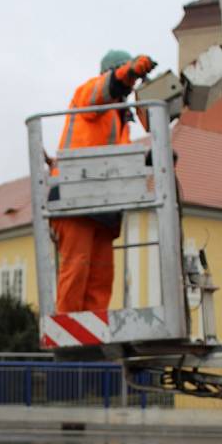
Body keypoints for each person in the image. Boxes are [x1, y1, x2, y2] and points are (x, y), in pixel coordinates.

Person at [52, 50, 156, 313]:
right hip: (74, 194)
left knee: (100, 276)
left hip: (102, 203)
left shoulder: (120, 119)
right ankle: (69, 336)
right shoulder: (89, 94)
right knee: (76, 268)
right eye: (126, 76)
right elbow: (104, 87)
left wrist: (148, 163)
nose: (130, 85)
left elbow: (119, 164)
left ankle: (94, 333)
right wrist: (129, 71)